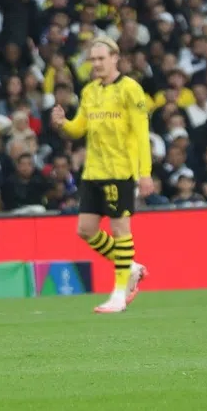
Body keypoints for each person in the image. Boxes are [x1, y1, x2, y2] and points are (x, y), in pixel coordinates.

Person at [51, 36, 153, 314]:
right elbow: (79, 129)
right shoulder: (90, 91)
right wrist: (63, 124)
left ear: (115, 58)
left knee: (121, 231)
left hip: (120, 171)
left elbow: (142, 135)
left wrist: (145, 173)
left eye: (101, 58)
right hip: (93, 172)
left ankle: (119, 295)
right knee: (85, 230)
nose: (96, 64)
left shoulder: (131, 90)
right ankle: (130, 266)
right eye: (92, 59)